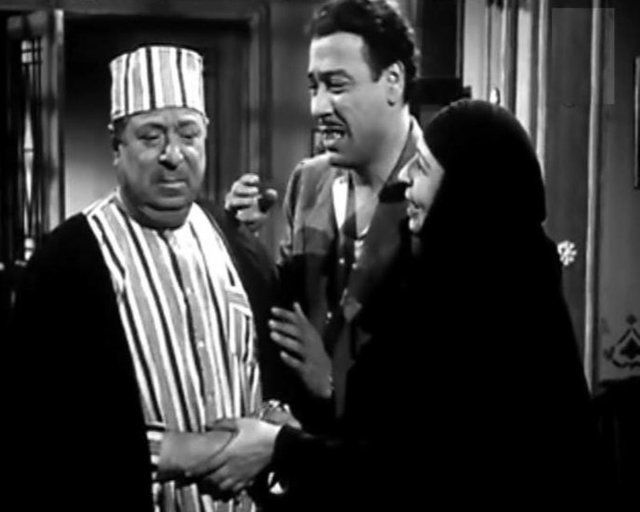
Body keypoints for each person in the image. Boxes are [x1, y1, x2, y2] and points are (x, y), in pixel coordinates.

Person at [202, 98, 605, 509]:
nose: (405, 177)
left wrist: (283, 448)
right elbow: (388, 430)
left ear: (465, 194)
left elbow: (414, 471)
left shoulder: (494, 307)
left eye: (423, 168)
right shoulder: (441, 280)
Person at [9, 45, 286, 512]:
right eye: (151, 136)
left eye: (188, 134)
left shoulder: (236, 243)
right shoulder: (65, 263)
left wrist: (275, 426)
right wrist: (187, 451)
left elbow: (272, 375)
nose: (173, 155)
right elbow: (39, 425)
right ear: (116, 146)